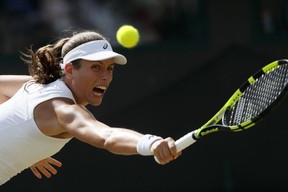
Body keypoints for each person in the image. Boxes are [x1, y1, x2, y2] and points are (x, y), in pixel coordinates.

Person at [0, 30, 181, 185]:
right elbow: (107, 137)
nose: (105, 77)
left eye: (110, 68)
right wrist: (151, 143)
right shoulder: (63, 109)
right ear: (70, 69)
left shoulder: (37, 86)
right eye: (96, 67)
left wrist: (23, 136)